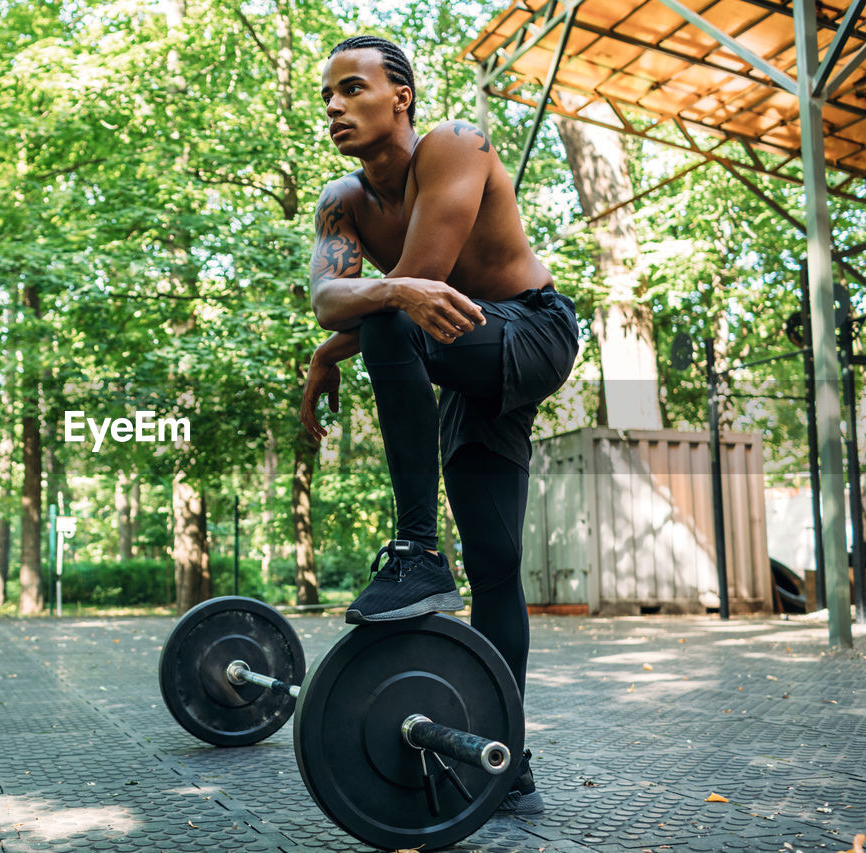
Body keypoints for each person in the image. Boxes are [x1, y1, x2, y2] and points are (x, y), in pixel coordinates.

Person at [299, 35, 580, 818]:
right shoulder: (340, 202)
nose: (334, 107)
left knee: (391, 311)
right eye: (327, 96)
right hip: (457, 352)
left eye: (352, 89)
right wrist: (332, 340)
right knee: (495, 561)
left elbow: (404, 291)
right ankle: (508, 760)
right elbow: (330, 296)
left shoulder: (456, 146)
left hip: (530, 330)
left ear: (402, 96)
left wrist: (337, 343)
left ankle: (417, 548)